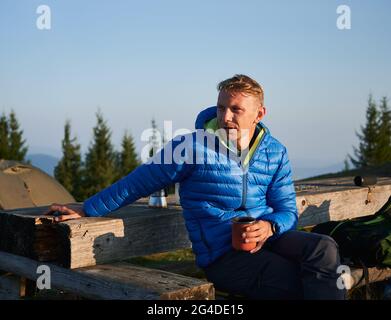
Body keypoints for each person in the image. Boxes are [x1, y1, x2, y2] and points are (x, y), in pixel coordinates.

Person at [47, 74, 346, 300]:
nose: (225, 116)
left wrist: (269, 226)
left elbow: (286, 211)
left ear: (260, 114)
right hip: (222, 256)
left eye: (236, 109)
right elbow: (136, 183)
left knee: (324, 248)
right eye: (221, 107)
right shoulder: (190, 147)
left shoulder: (275, 152)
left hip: (267, 240)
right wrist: (87, 208)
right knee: (299, 281)